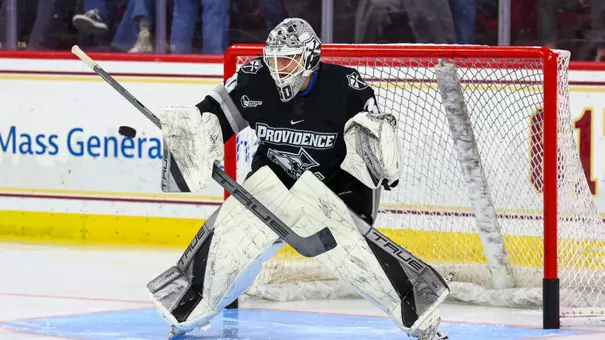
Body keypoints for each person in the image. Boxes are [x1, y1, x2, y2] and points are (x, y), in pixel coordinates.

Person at [146, 18, 449, 340]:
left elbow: (374, 154)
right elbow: (210, 117)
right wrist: (192, 142)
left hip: (332, 189)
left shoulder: (346, 87)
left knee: (357, 258)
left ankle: (423, 323)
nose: (278, 67)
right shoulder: (253, 78)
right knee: (228, 243)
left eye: (288, 58)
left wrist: (379, 163)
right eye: (273, 58)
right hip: (272, 183)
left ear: (310, 58)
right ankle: (184, 316)